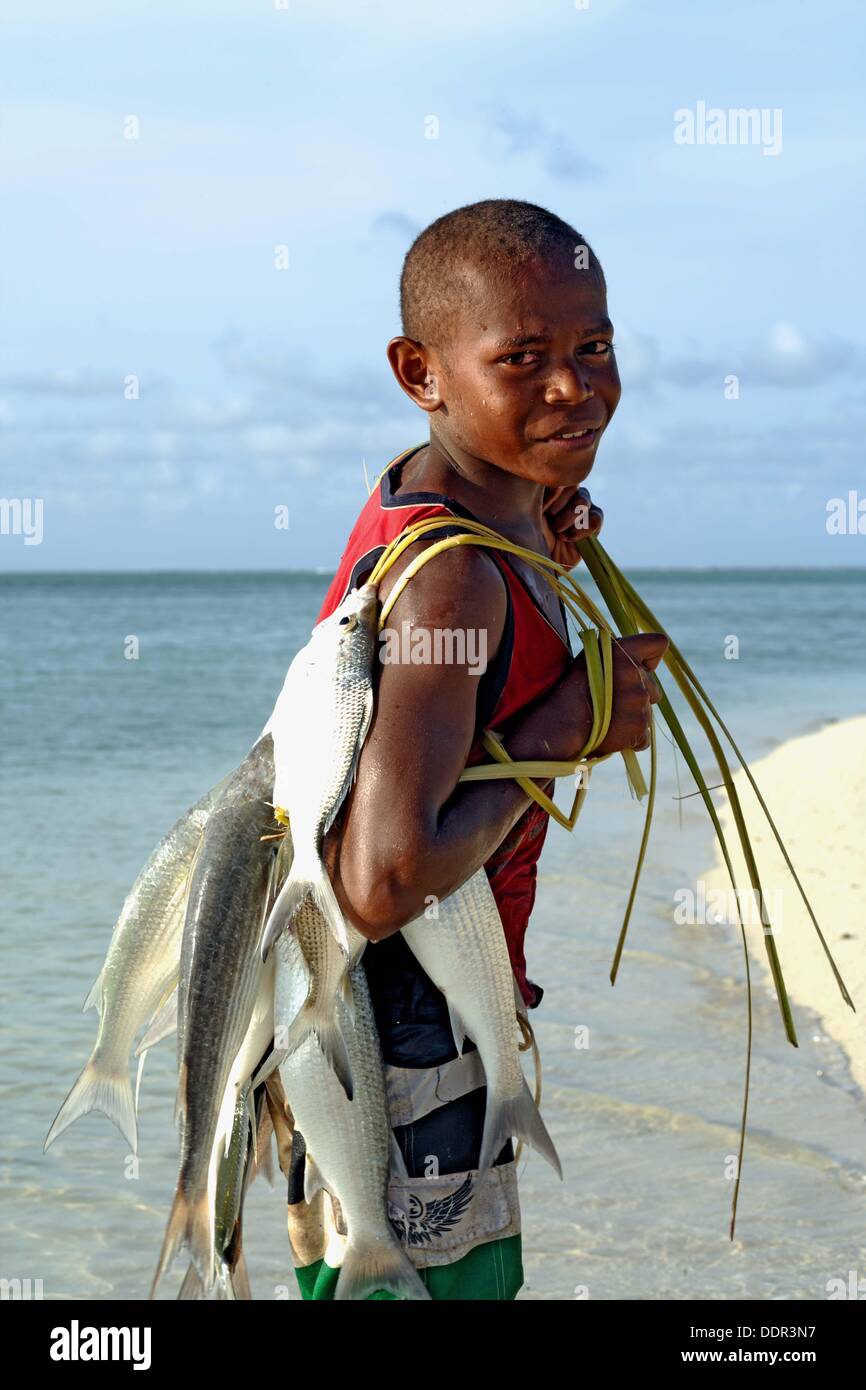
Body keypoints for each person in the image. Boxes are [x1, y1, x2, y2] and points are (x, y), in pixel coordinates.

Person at [284, 198, 668, 1300]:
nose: (571, 384)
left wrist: (544, 522)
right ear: (422, 371)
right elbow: (382, 877)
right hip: (402, 1026)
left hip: (373, 1014)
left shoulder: (446, 491)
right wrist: (562, 732)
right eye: (523, 358)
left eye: (592, 346)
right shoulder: (452, 574)